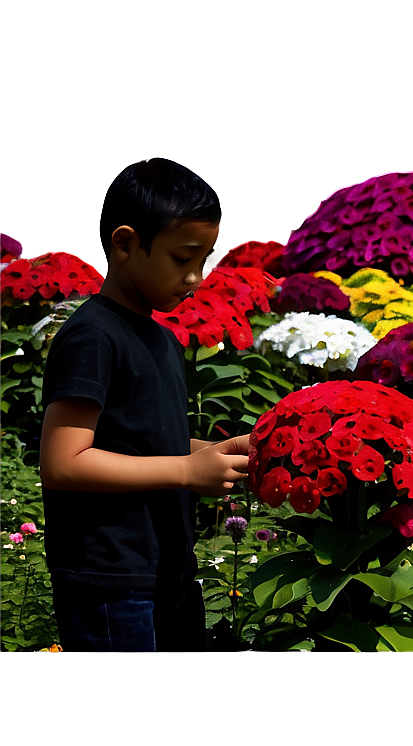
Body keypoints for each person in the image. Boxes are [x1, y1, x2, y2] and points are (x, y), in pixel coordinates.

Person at [39, 155, 250, 651]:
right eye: (183, 258)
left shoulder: (161, 339)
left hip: (166, 571)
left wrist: (216, 452)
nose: (197, 276)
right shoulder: (92, 335)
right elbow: (63, 462)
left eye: (205, 258)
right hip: (110, 581)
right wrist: (185, 471)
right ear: (126, 243)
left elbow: (143, 439)